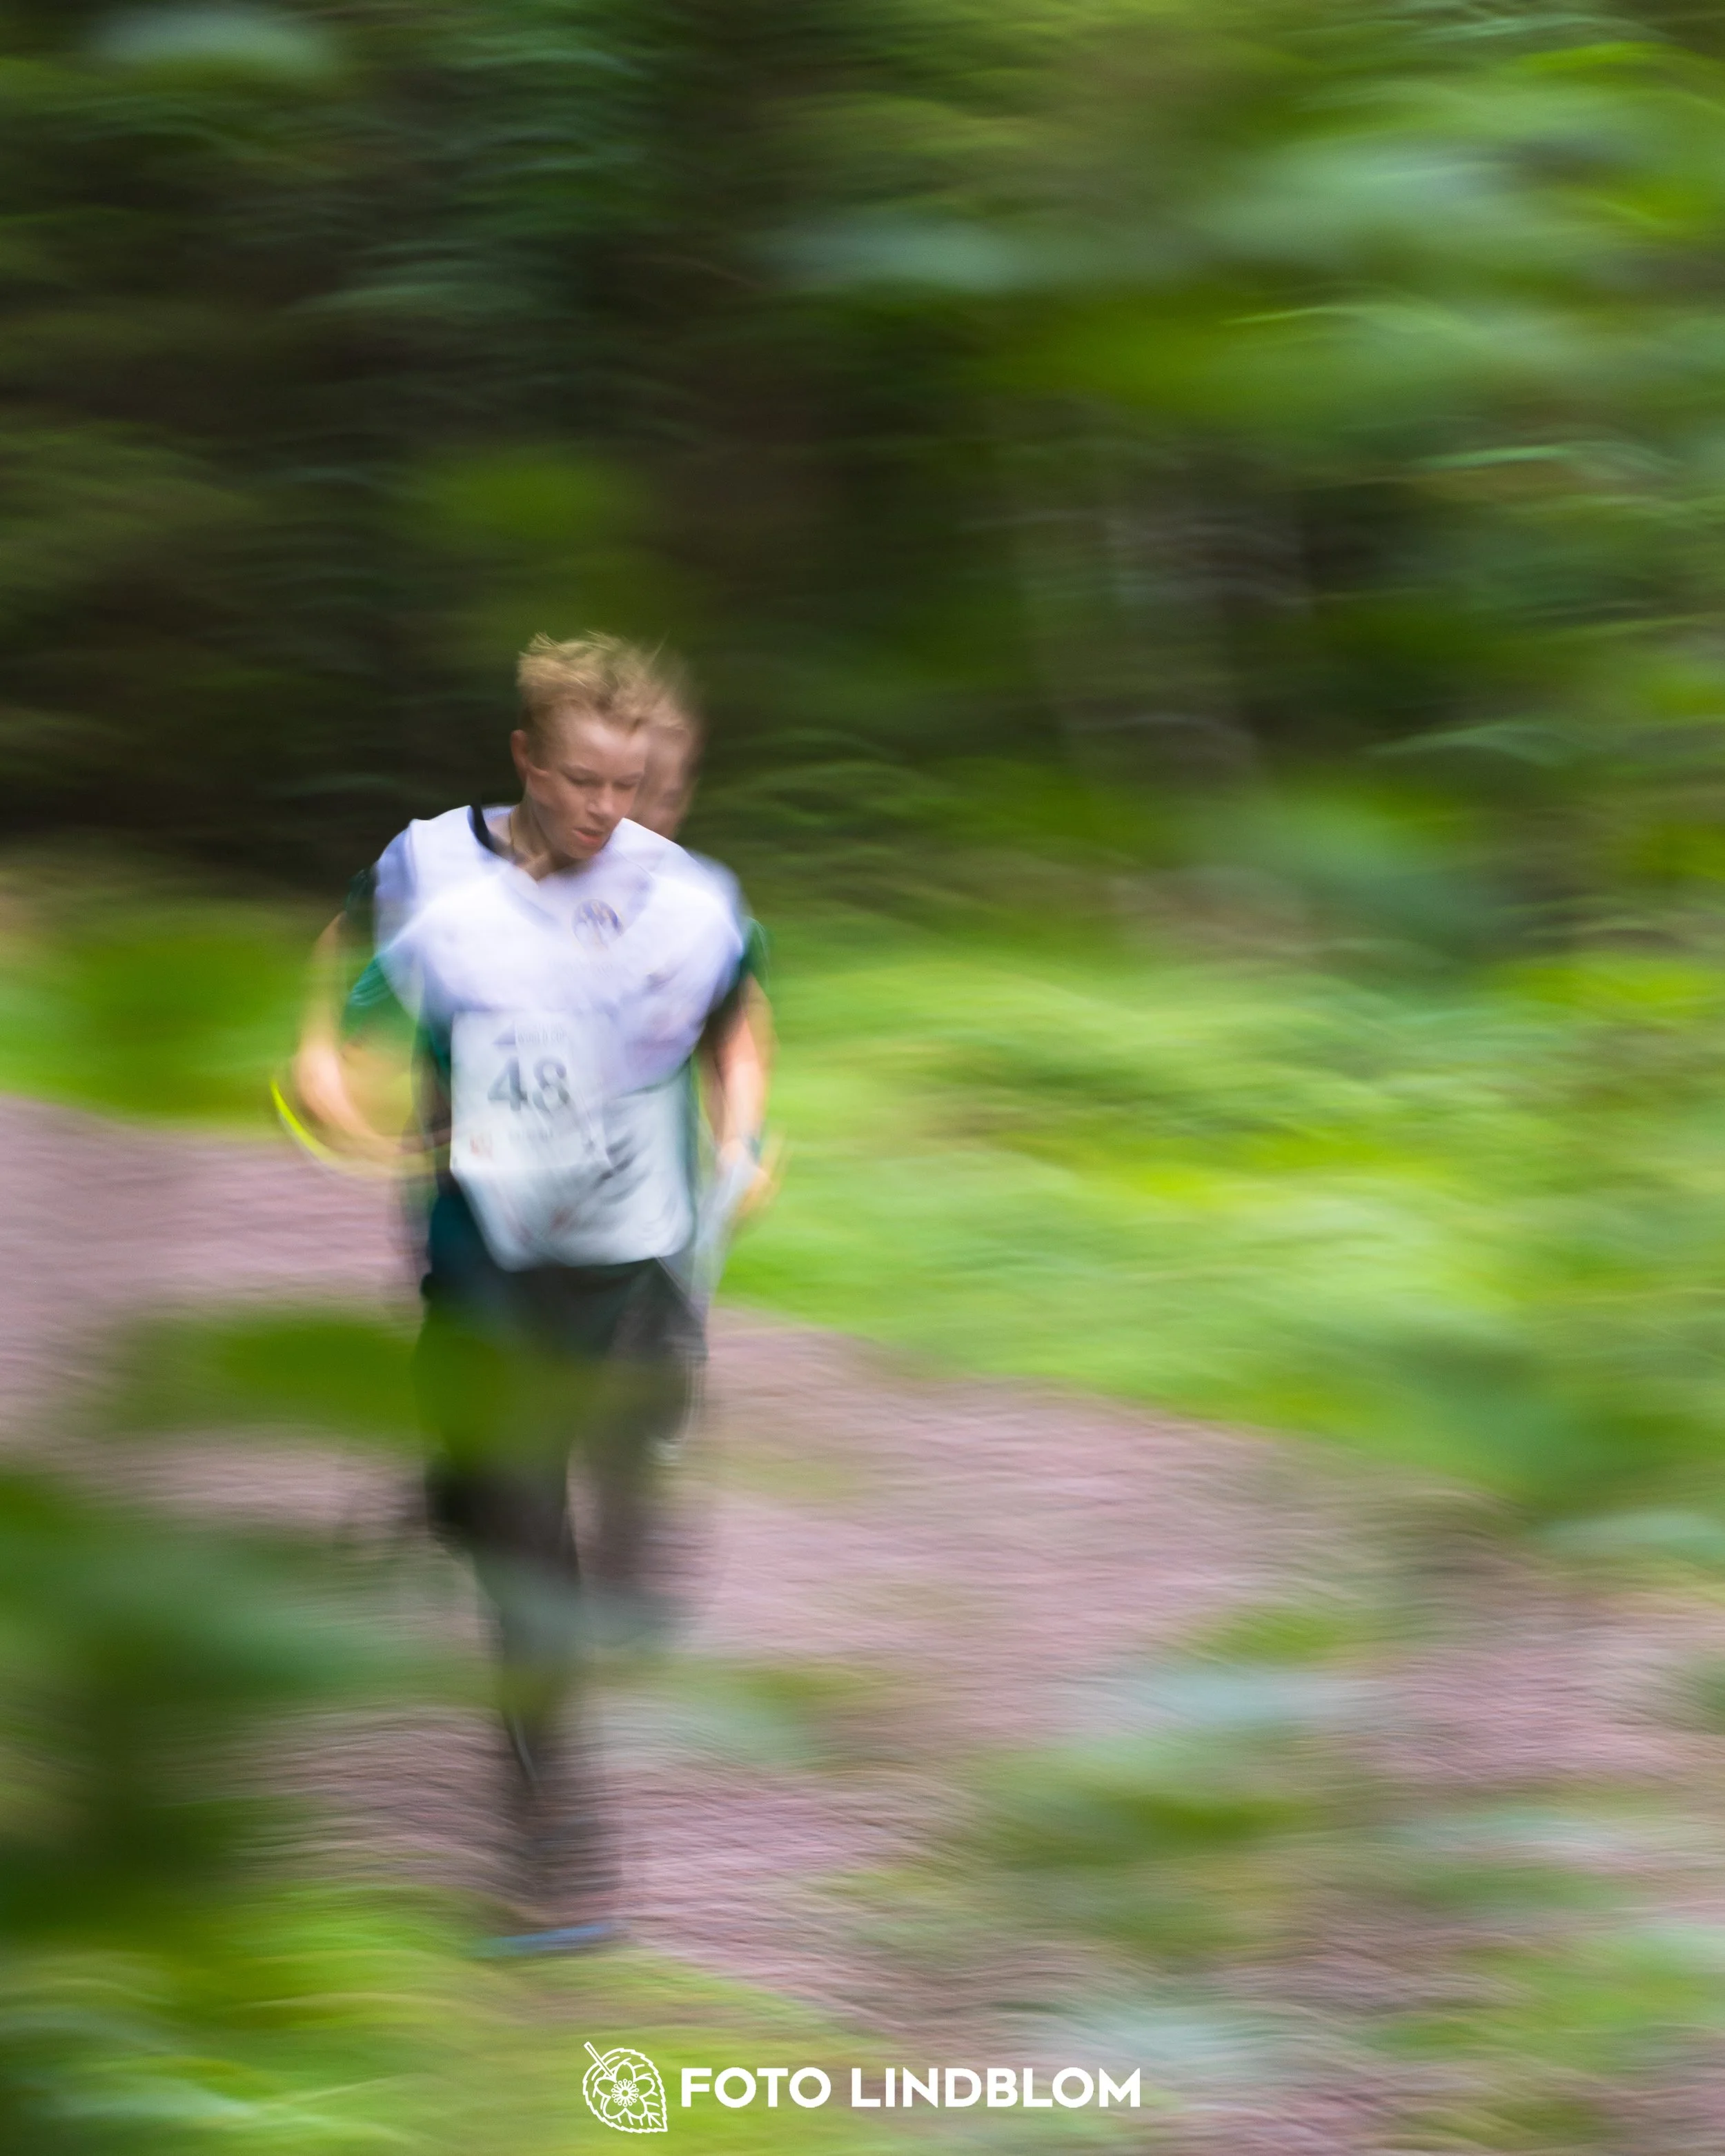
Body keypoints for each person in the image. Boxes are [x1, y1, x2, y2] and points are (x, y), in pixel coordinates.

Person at [288, 634, 771, 1951]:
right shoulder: (431, 867)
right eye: (578, 783)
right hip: (483, 1242)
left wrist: (745, 1137)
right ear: (525, 761)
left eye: (629, 786)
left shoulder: (680, 892)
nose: (605, 813)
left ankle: (493, 1480)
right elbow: (348, 955)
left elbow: (741, 1008)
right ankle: (560, 1854)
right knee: (525, 1548)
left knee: (595, 1503)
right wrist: (326, 1062)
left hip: (633, 1256)